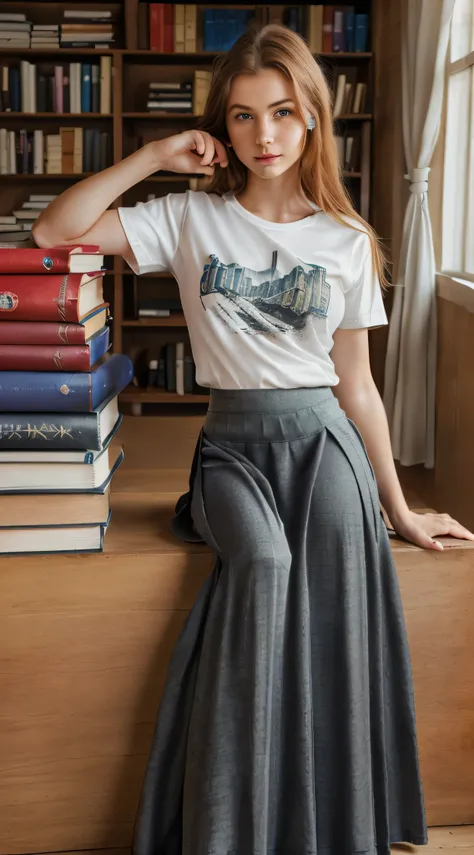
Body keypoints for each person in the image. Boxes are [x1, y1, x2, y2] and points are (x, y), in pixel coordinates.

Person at [33, 21, 474, 855]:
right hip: (233, 447)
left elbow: (359, 387)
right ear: (220, 126)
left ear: (312, 117)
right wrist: (153, 155)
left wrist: (402, 507)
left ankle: (330, 822)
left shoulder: (346, 242)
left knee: (341, 598)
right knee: (264, 564)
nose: (263, 134)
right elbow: (56, 233)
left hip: (326, 444)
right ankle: (229, 821)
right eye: (241, 115)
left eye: (281, 112)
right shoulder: (190, 219)